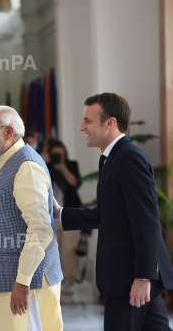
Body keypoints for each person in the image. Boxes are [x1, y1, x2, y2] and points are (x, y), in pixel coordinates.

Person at [54, 93, 173, 331]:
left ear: (110, 123)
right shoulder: (110, 159)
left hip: (130, 278)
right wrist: (60, 213)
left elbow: (147, 221)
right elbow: (109, 215)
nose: (81, 127)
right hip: (127, 277)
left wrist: (143, 276)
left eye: (88, 121)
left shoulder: (128, 157)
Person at [0, 106, 63, 331]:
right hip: (0, 280)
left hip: (25, 284)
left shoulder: (26, 166)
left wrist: (22, 281)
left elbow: (40, 229)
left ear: (8, 132)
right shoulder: (4, 161)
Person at [46, 139, 83, 295]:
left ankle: (68, 279)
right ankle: (55, 280)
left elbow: (75, 183)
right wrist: (46, 163)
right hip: (49, 217)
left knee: (68, 249)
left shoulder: (71, 165)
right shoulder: (44, 167)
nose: (58, 157)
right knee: (53, 250)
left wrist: (62, 168)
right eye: (55, 154)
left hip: (69, 214)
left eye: (61, 154)